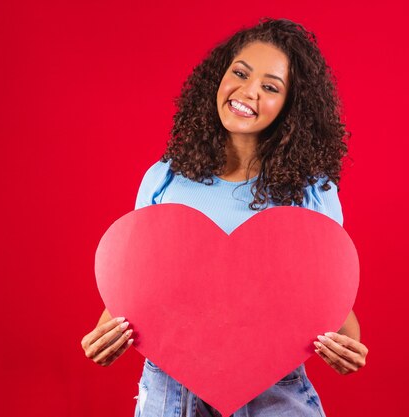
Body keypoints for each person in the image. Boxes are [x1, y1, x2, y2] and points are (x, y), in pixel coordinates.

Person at [81, 17, 369, 417]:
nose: (249, 91)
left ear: (291, 106)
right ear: (220, 76)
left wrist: (347, 349)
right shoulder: (165, 178)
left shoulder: (311, 192)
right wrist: (103, 338)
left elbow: (331, 309)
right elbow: (135, 286)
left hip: (274, 392)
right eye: (240, 73)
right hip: (171, 391)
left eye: (271, 87)